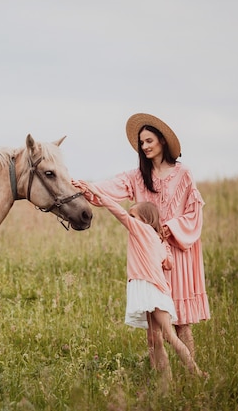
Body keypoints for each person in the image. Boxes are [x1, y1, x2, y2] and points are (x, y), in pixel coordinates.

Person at [72, 113, 210, 359]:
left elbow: (193, 212)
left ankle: (191, 374)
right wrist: (85, 187)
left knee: (181, 319)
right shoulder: (137, 177)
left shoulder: (183, 174)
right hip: (149, 254)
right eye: (142, 143)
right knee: (153, 320)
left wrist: (172, 227)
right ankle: (161, 375)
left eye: (149, 141)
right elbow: (110, 188)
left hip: (177, 251)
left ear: (163, 142)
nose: (145, 146)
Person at [76, 182, 203, 380]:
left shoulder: (141, 230)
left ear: (144, 220)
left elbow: (117, 211)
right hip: (147, 289)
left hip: (152, 290)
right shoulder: (156, 239)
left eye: (134, 216)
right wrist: (162, 250)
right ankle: (164, 381)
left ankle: (196, 372)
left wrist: (94, 190)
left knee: (169, 335)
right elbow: (168, 264)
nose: (130, 220)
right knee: (154, 338)